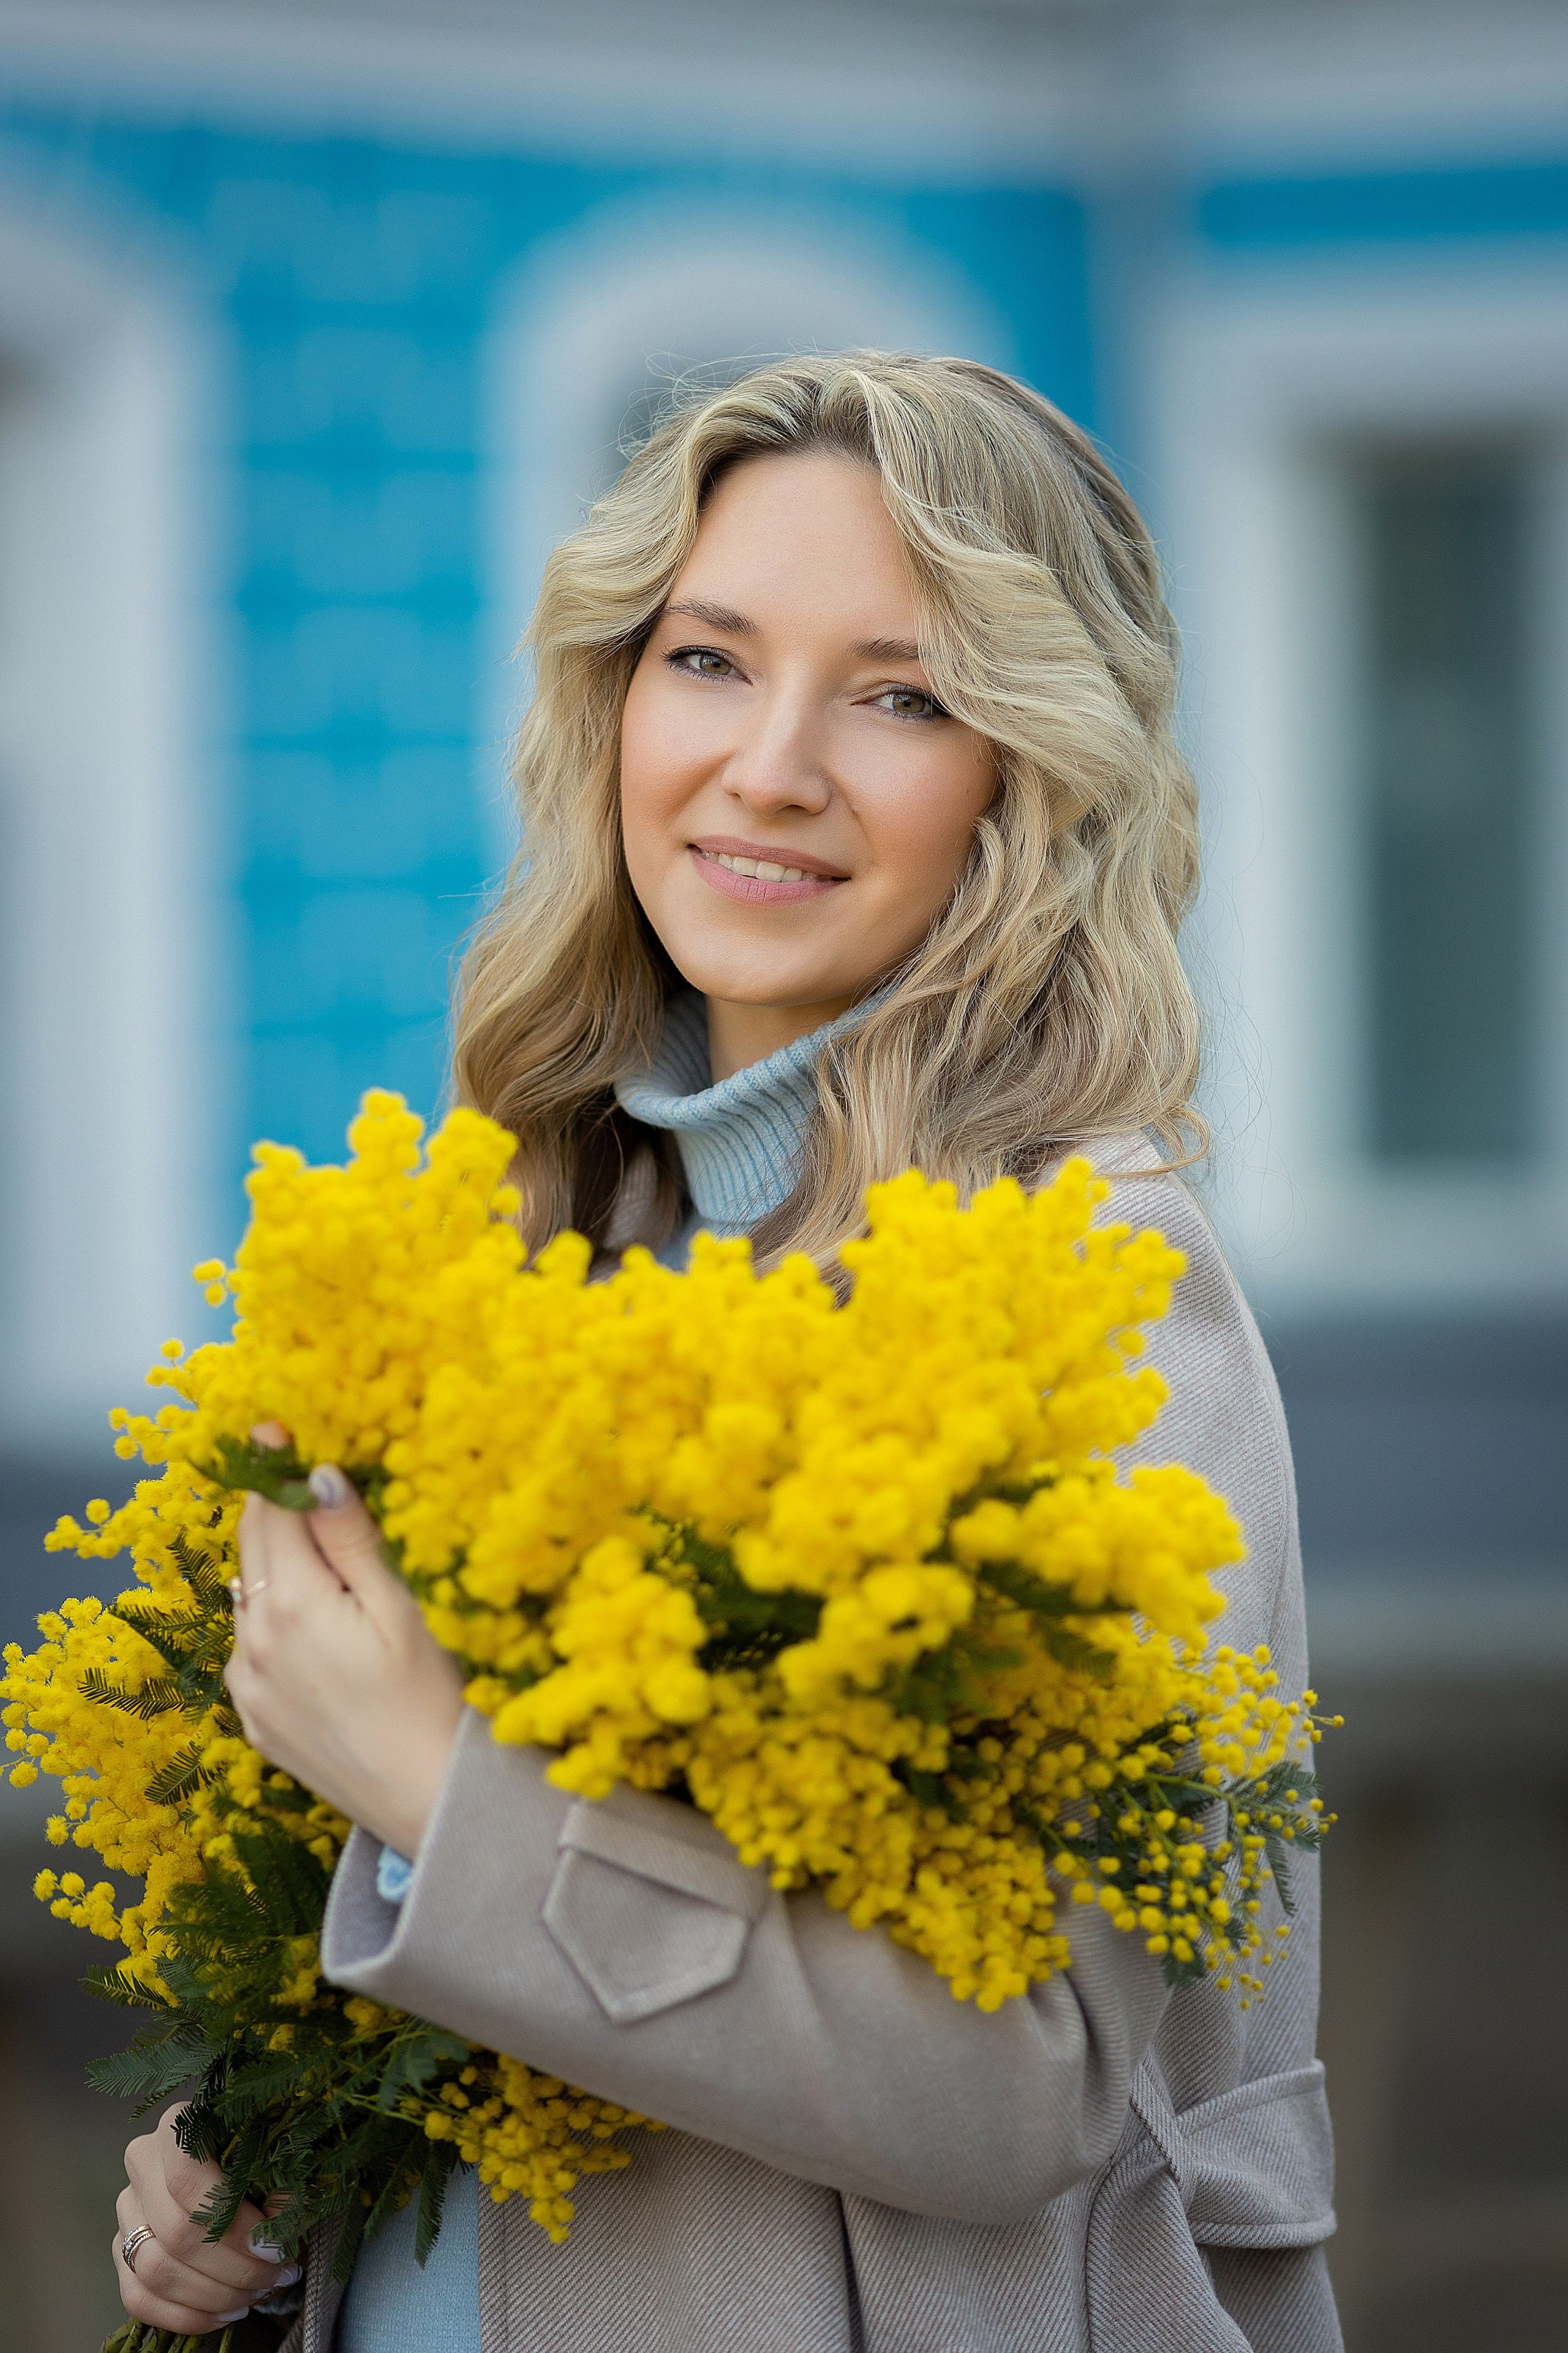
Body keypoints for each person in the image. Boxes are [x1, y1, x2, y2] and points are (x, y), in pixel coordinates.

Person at [111, 353, 1340, 2353]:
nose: (772, 764)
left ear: (1028, 775)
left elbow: (1019, 2082)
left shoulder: (1100, 1287)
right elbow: (488, 1965)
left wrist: (433, 1776)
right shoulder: (532, 1238)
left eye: (901, 693)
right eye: (708, 659)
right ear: (614, 701)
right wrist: (252, 2154)